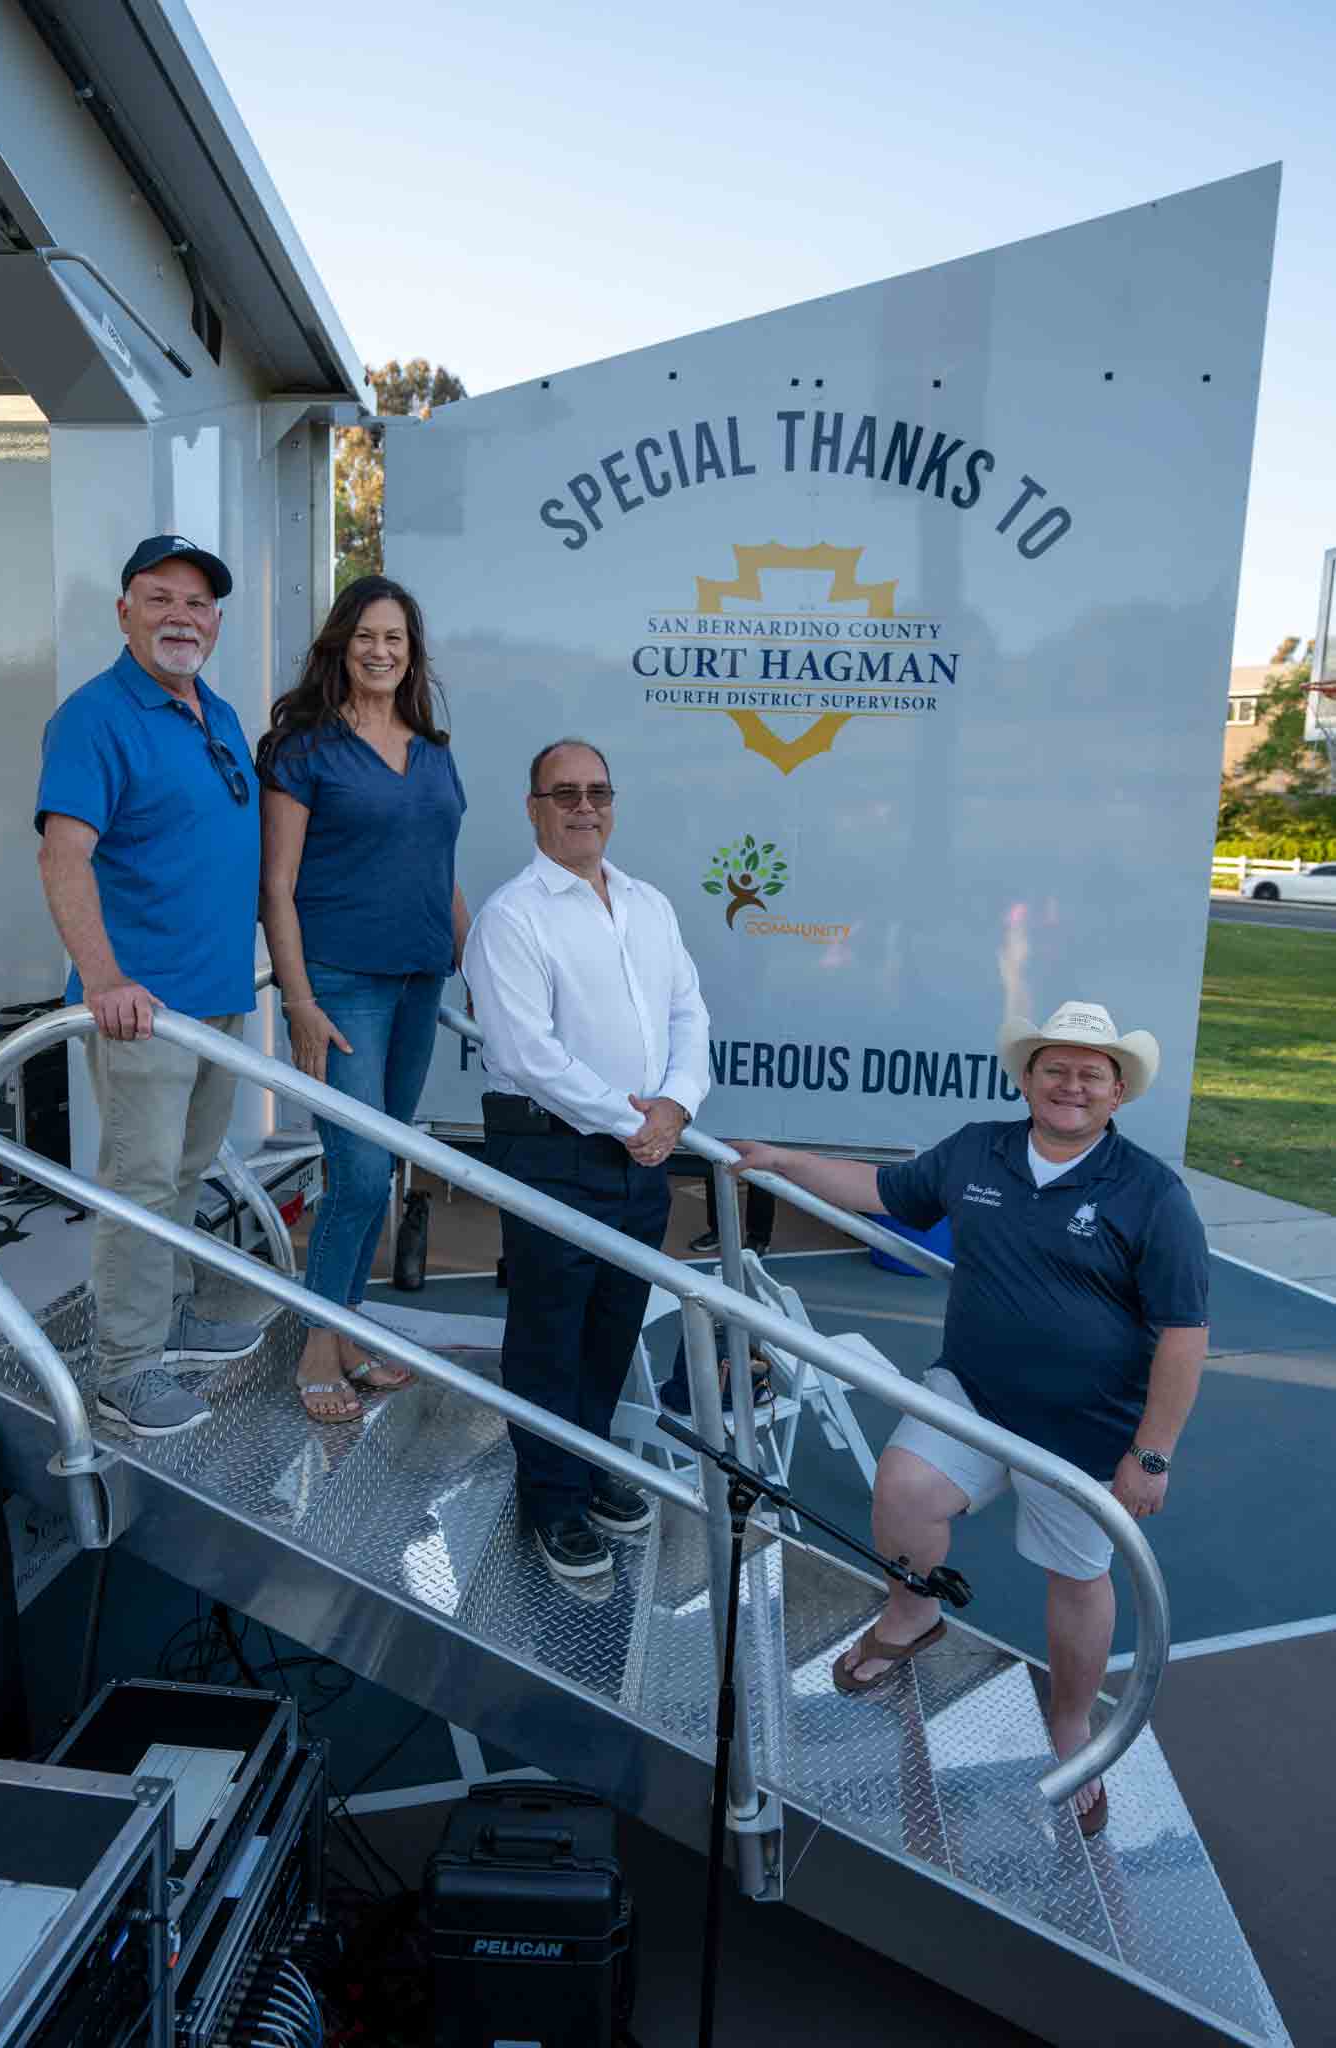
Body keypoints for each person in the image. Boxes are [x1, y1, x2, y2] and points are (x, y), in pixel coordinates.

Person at [732, 1000, 1209, 1837]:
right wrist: (778, 1159)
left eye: (1089, 1074)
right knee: (903, 1488)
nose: (1069, 1086)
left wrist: (1153, 1453)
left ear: (1117, 1092)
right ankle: (912, 1616)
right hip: (974, 1393)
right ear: (1025, 1078)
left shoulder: (1151, 1193)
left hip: (1085, 1428)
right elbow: (880, 1191)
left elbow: (1183, 1333)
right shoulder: (977, 1148)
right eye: (1053, 1068)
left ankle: (1068, 1721)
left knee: (1076, 1578)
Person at [463, 739, 710, 1583]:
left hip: (638, 1150)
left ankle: (586, 1461)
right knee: (549, 1332)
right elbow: (526, 1053)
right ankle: (550, 1499)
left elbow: (689, 1014)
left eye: (597, 791)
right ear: (533, 807)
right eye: (563, 793)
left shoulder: (648, 904)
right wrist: (630, 1121)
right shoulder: (512, 917)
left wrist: (675, 1104)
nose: (583, 807)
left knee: (612, 1321)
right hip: (550, 1148)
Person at [36, 535, 263, 1437]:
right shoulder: (96, 716)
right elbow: (64, 854)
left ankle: (168, 1311)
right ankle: (123, 1368)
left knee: (186, 1167)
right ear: (125, 610)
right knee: (137, 1181)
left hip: (215, 995)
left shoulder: (216, 712)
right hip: (144, 1008)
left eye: (198, 603)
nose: (182, 616)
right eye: (161, 598)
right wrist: (104, 978)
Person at [258, 576, 469, 1423]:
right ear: (340, 647)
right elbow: (276, 886)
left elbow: (441, 875)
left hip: (422, 980)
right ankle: (318, 1345)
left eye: (396, 638)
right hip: (341, 986)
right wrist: (298, 999)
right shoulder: (302, 749)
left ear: (411, 652)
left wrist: (479, 970)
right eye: (366, 637)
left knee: (376, 1171)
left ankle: (345, 1327)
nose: (381, 651)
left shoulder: (432, 746)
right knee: (359, 1170)